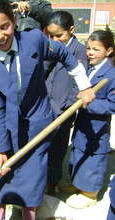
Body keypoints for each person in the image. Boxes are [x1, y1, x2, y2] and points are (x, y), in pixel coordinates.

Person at [0, 0, 95, 219]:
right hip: (7, 130)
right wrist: (0, 148)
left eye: (4, 27)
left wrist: (85, 86)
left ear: (14, 21)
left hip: (38, 126)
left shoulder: (34, 40)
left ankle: (30, 215)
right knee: (0, 180)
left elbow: (65, 55)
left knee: (32, 184)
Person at [65, 30, 115, 209]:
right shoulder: (89, 67)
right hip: (83, 123)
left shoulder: (111, 74)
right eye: (88, 48)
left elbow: (112, 104)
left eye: (96, 49)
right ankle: (79, 183)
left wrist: (88, 104)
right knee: (79, 150)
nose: (90, 53)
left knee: (93, 157)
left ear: (109, 51)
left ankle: (90, 193)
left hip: (97, 126)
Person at [44, 11, 88, 196]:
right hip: (45, 105)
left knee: (57, 149)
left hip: (64, 110)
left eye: (59, 35)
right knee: (42, 146)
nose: (55, 39)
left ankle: (52, 184)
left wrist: (67, 107)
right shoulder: (49, 47)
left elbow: (79, 84)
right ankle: (40, 180)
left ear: (71, 30)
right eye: (51, 35)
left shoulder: (79, 50)